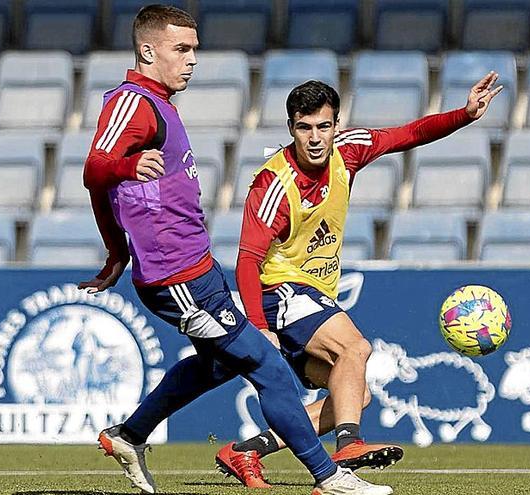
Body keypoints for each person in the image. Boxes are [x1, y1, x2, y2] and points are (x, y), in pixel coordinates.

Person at [81, 5, 392, 494]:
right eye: (181, 49)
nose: (190, 61)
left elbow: (110, 187)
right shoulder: (132, 102)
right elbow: (95, 170)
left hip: (197, 269)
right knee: (268, 367)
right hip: (174, 277)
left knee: (219, 363)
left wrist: (116, 253)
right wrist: (123, 179)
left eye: (194, 51)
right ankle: (329, 477)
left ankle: (130, 434)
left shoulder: (160, 104)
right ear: (147, 50)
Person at [214, 75, 503, 487]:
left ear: (336, 124)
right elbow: (247, 260)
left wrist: (465, 115)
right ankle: (347, 446)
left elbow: (411, 133)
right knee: (357, 348)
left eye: (323, 126)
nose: (315, 137)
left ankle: (245, 452)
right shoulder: (273, 184)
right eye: (304, 127)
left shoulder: (349, 149)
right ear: (291, 128)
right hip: (280, 292)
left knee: (353, 394)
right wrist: (260, 327)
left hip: (314, 295)